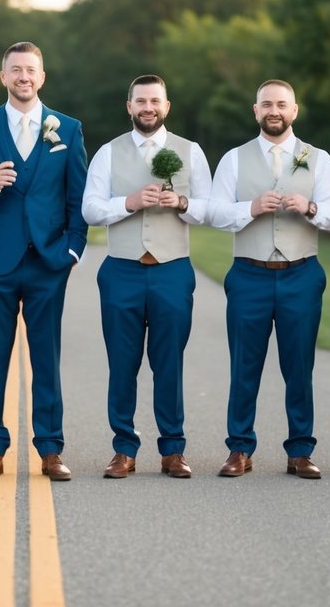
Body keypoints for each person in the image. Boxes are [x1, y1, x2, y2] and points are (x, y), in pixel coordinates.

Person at [0, 41, 88, 481]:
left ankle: (50, 449)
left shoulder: (67, 129)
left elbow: (77, 197)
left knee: (46, 356)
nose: (23, 77)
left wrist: (72, 249)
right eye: (15, 70)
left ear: (41, 77)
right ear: (3, 77)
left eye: (31, 69)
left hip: (49, 262)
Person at [207, 79, 330, 480]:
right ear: (255, 111)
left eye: (281, 104)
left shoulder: (319, 159)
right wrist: (249, 208)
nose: (274, 111)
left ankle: (300, 451)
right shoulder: (234, 158)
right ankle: (239, 448)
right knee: (243, 365)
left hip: (302, 272)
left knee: (299, 366)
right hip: (248, 273)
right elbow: (214, 213)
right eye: (266, 104)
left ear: (294, 110)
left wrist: (311, 207)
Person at [81, 75, 211, 479]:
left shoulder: (191, 151)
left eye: (155, 100)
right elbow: (90, 209)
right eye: (141, 101)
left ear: (166, 106)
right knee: (123, 363)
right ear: (129, 106)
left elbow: (210, 209)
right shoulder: (107, 152)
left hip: (173, 270)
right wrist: (130, 202)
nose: (148, 107)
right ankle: (124, 448)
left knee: (168, 361)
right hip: (121, 270)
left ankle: (173, 450)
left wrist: (183, 202)